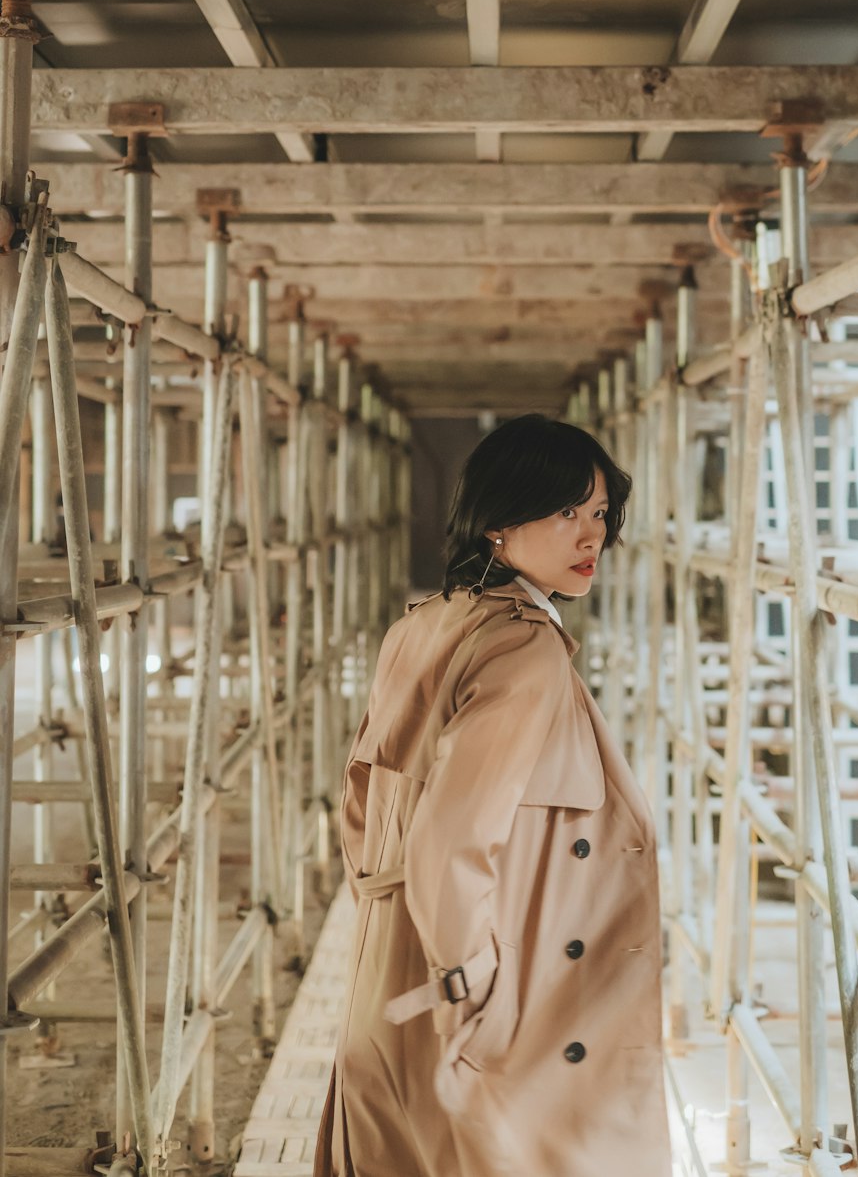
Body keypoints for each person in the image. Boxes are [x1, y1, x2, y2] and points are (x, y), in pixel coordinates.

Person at [312, 413, 671, 1177]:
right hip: (480, 998)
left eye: (600, 513)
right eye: (565, 510)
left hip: (394, 971)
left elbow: (357, 802)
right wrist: (471, 990)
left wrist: (393, 924)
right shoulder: (523, 648)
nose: (590, 536)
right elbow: (452, 835)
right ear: (499, 523)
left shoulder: (425, 624)